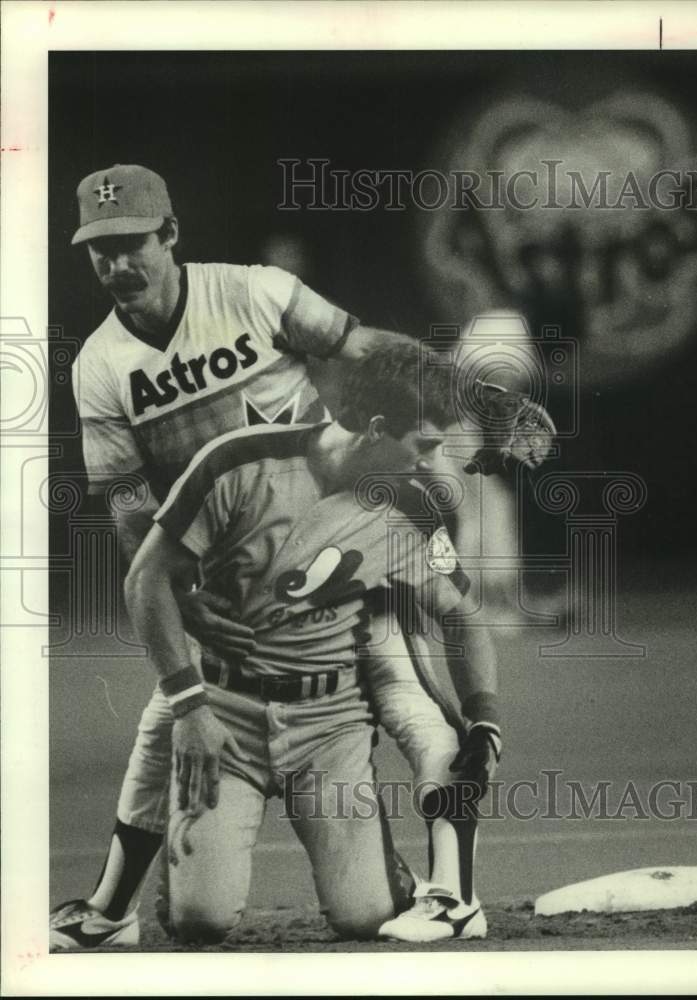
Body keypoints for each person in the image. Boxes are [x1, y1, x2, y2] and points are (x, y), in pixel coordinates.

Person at [50, 165, 549, 948]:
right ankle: (114, 910)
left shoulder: (256, 293)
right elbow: (126, 512)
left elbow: (370, 347)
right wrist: (185, 618)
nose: (116, 264)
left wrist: (472, 399)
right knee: (176, 734)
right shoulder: (102, 367)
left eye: (131, 244)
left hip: (337, 562)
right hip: (222, 561)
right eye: (99, 250)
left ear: (171, 235)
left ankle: (450, 892)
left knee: (416, 700)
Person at [123, 344, 501, 943]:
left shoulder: (412, 505)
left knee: (367, 918)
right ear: (376, 429)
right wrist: (189, 707)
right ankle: (171, 876)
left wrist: (485, 719)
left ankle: (388, 881)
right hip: (224, 712)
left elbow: (462, 614)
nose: (432, 462)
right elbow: (146, 580)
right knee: (200, 920)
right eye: (424, 444)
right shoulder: (238, 463)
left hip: (330, 724)